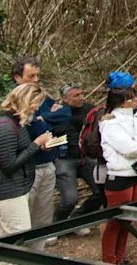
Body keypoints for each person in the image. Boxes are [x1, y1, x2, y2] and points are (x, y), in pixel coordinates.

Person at [0, 83, 55, 261]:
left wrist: (39, 147)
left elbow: (20, 153)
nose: (36, 108)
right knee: (15, 242)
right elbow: (9, 165)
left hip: (17, 190)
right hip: (7, 193)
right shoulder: (5, 127)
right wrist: (36, 144)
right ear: (24, 101)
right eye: (35, 103)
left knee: (9, 243)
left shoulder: (17, 124)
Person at [12, 58, 71, 249]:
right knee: (22, 221)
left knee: (43, 217)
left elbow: (65, 114)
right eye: (31, 76)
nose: (36, 80)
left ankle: (38, 254)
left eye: (37, 75)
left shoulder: (42, 97)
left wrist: (44, 117)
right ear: (17, 78)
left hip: (47, 163)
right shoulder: (13, 103)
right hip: (26, 170)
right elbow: (19, 135)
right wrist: (38, 136)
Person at [99, 87, 137, 265]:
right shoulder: (111, 123)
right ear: (121, 102)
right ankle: (109, 260)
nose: (135, 100)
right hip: (120, 176)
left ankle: (120, 256)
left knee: (129, 219)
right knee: (116, 221)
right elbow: (129, 148)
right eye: (130, 98)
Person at [52, 84, 100, 235]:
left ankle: (77, 220)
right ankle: (55, 228)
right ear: (65, 98)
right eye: (76, 95)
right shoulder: (55, 113)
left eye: (82, 94)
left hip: (86, 157)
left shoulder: (89, 109)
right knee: (70, 199)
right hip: (64, 159)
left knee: (101, 191)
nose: (81, 98)